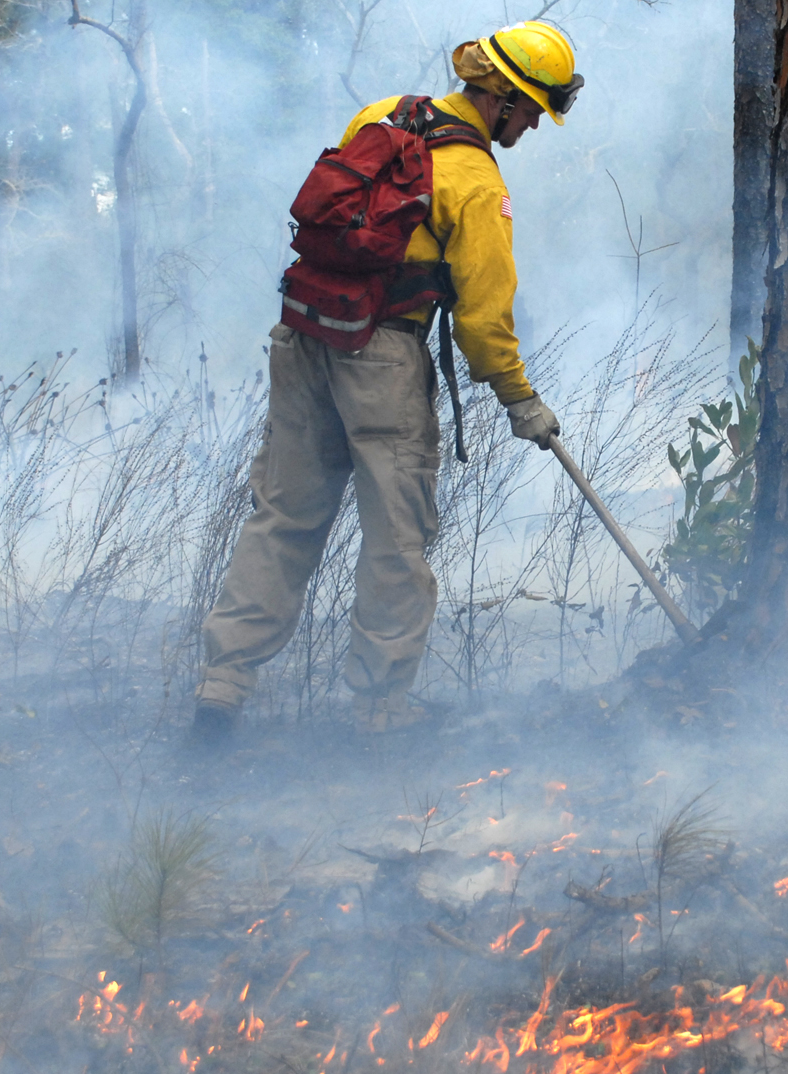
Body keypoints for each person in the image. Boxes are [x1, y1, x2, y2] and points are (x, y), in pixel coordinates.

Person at [188, 22, 580, 743]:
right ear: (501, 98)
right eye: (531, 110)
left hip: (303, 338)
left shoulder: (382, 116)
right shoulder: (478, 183)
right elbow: (483, 318)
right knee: (397, 539)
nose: (531, 126)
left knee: (284, 517)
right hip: (383, 357)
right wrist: (520, 399)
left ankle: (223, 683)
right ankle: (379, 711)